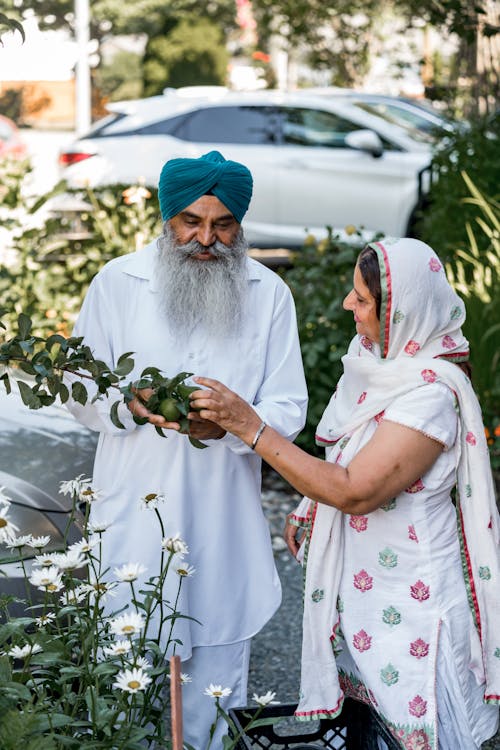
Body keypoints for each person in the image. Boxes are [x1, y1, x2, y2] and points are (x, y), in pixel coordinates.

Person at [190, 237, 500, 750]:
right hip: (370, 590)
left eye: (362, 299)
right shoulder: (379, 365)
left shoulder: (430, 397)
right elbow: (351, 450)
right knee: (374, 724)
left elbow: (357, 491)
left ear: (401, 314)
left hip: (415, 599)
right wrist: (311, 506)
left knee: (418, 731)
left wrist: (251, 427)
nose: (347, 305)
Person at [65, 150, 308, 749]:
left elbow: (289, 408)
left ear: (240, 225)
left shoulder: (268, 293)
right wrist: (130, 404)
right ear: (167, 218)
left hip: (224, 524)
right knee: (130, 684)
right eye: (191, 223)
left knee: (217, 696)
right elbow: (82, 392)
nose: (206, 239)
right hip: (134, 521)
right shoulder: (118, 283)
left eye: (223, 225)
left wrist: (232, 424)